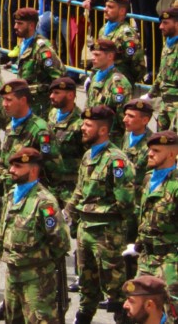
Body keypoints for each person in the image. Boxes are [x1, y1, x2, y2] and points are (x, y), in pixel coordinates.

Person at [67, 105, 136, 324]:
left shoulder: (116, 160)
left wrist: (119, 231)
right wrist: (67, 213)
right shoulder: (88, 156)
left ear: (103, 130)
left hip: (107, 232)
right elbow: (80, 190)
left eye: (88, 125)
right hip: (85, 229)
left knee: (115, 286)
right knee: (87, 284)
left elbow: (125, 201)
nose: (82, 128)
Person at [0, 147, 71, 324]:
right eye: (12, 166)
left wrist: (41, 262)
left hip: (37, 279)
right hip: (13, 274)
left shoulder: (44, 202)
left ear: (33, 170)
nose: (12, 170)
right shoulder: (12, 195)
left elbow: (61, 242)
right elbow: (3, 227)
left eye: (18, 166)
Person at [125, 130, 178, 300]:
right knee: (141, 308)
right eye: (150, 149)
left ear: (172, 154)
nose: (150, 153)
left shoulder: (175, 185)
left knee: (170, 311)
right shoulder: (149, 179)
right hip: (146, 257)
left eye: (156, 151)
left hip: (170, 262)